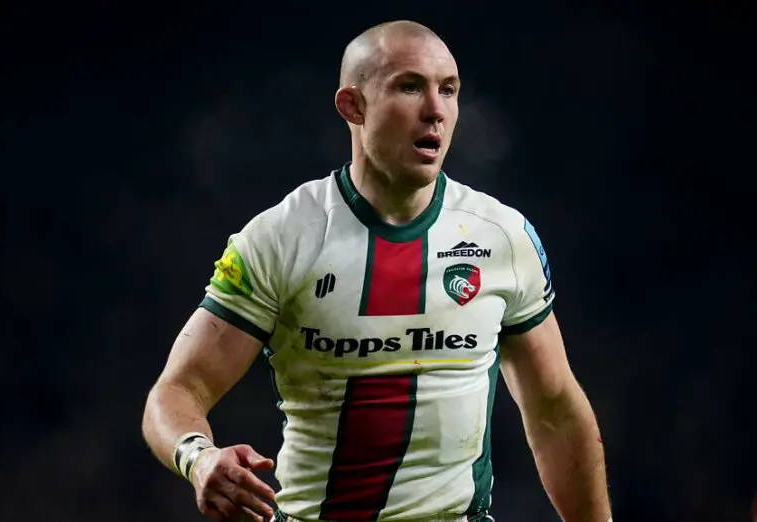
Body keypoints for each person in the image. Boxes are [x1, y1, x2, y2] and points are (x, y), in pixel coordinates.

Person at [142, 19, 612, 522]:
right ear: (353, 106)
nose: (436, 110)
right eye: (410, 87)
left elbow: (555, 410)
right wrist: (198, 458)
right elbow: (176, 390)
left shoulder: (501, 236)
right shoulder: (282, 237)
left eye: (448, 90)